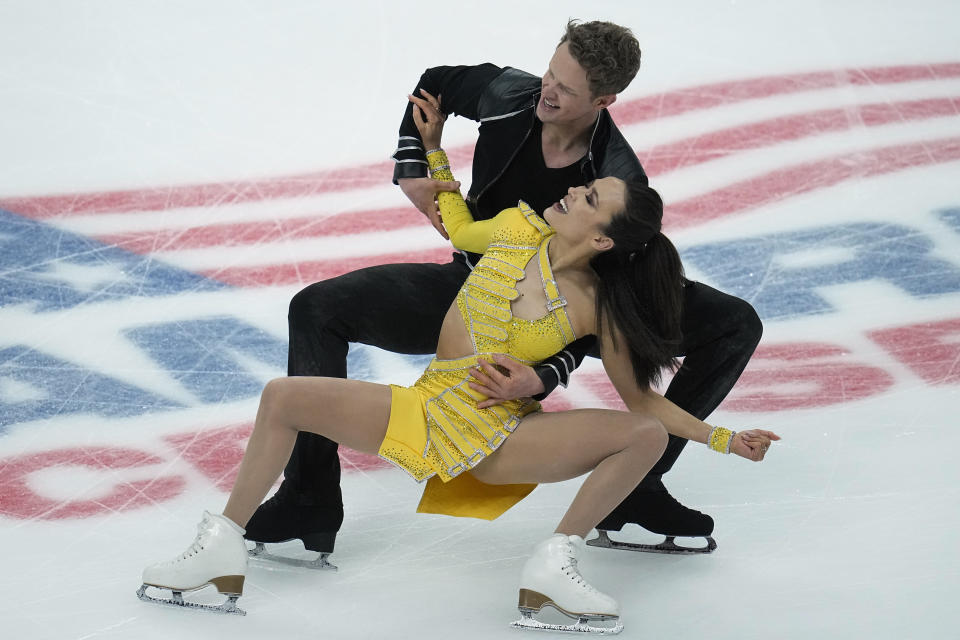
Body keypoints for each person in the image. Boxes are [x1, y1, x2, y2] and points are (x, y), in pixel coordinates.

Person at [138, 92, 779, 632]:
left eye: (589, 198)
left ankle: (553, 569)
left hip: (502, 439)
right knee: (283, 396)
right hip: (425, 413)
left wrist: (724, 438)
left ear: (603, 237)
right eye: (585, 185)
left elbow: (642, 402)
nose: (576, 190)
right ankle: (219, 550)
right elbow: (455, 223)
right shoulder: (515, 228)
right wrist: (434, 147)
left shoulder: (597, 306)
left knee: (639, 434)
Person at [244, 19, 763, 561]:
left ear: (605, 99)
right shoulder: (511, 94)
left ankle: (635, 487)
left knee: (734, 322)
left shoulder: (613, 182)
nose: (548, 91)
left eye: (567, 88)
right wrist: (414, 165)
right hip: (471, 289)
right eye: (549, 73)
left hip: (545, 315)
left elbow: (596, 306)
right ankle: (309, 498)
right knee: (316, 308)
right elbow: (435, 82)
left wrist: (543, 374)